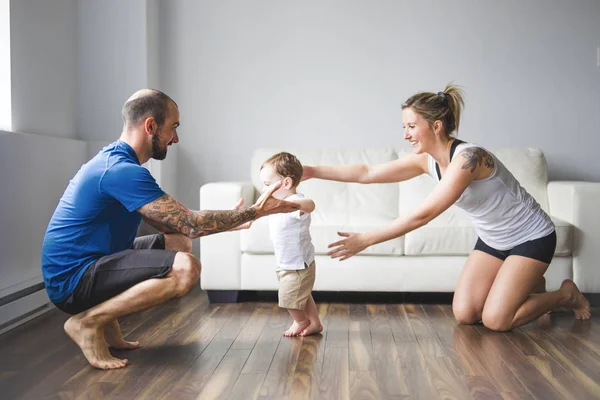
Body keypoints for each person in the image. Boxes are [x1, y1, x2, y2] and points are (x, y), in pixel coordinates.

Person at [41, 89, 299, 370]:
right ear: (150, 126)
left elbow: (178, 227)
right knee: (186, 267)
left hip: (89, 263)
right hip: (72, 280)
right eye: (173, 128)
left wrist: (235, 221)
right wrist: (254, 211)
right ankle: (88, 323)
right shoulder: (121, 170)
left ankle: (108, 327)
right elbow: (189, 222)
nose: (175, 138)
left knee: (177, 244)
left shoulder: (116, 162)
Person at [302, 83, 591, 331]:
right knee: (466, 315)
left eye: (412, 126)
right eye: (404, 127)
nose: (405, 134)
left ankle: (565, 295)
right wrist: (314, 170)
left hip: (531, 238)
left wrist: (366, 239)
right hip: (493, 241)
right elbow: (367, 172)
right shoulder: (425, 159)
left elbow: (426, 214)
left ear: (436, 126)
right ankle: (531, 284)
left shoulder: (469, 159)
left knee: (496, 320)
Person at [259, 152, 323, 337]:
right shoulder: (275, 203)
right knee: (303, 295)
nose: (264, 190)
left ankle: (301, 322)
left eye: (267, 185)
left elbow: (310, 205)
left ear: (286, 183)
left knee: (288, 300)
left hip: (298, 265)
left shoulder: (293, 202)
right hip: (287, 263)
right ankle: (315, 323)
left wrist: (294, 205)